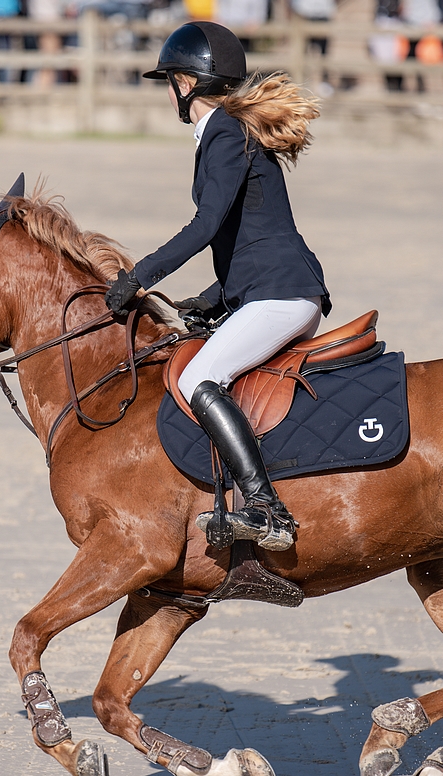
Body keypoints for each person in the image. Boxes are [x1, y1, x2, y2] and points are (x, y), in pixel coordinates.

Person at [105, 21, 331, 553]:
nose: (169, 92)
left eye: (170, 81)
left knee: (200, 377)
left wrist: (138, 276)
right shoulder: (227, 132)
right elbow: (250, 233)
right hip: (272, 288)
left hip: (282, 293)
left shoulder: (226, 132)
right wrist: (208, 299)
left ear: (186, 83)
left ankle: (265, 508)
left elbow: (206, 227)